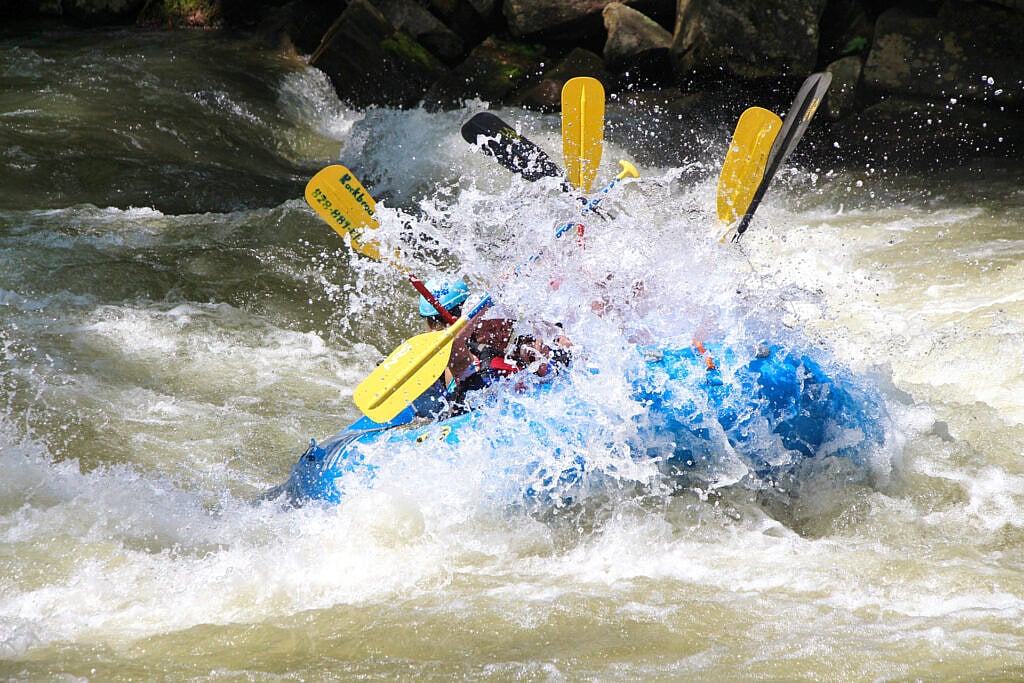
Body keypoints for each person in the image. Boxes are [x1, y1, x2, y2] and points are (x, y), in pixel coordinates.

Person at [411, 277, 515, 417]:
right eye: (490, 329)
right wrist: (486, 301)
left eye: (505, 327)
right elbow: (454, 345)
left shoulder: (504, 354)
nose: (499, 335)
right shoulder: (466, 357)